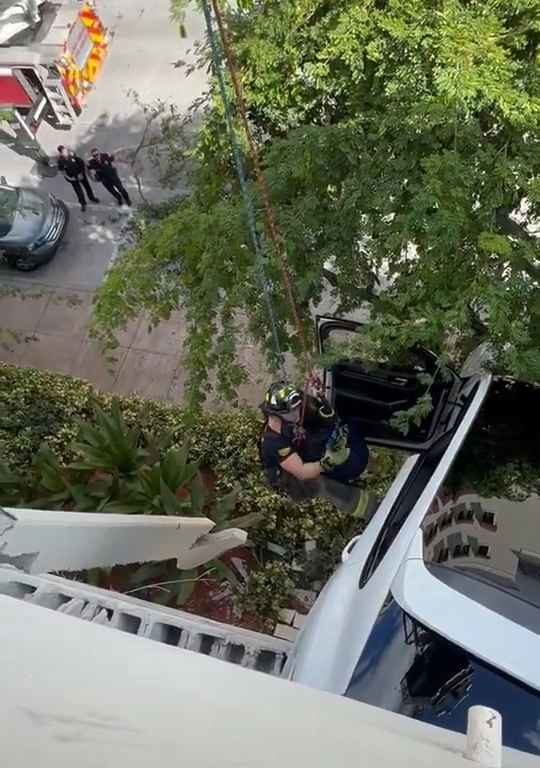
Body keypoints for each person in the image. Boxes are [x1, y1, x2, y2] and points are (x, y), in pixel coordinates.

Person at [259, 382, 371, 516]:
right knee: (321, 485)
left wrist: (320, 396)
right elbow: (301, 471)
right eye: (292, 411)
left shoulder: (290, 417)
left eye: (298, 408)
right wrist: (328, 462)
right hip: (291, 477)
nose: (297, 414)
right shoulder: (273, 442)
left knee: (345, 427)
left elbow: (328, 417)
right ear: (276, 414)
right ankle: (369, 509)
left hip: (311, 451)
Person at [57, 146, 99, 211]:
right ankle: (83, 204)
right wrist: (70, 178)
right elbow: (62, 171)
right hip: (73, 178)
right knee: (78, 191)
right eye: (64, 151)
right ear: (61, 153)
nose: (66, 152)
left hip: (80, 174)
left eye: (65, 150)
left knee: (87, 187)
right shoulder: (60, 161)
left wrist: (82, 173)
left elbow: (80, 162)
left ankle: (92, 198)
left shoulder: (72, 155)